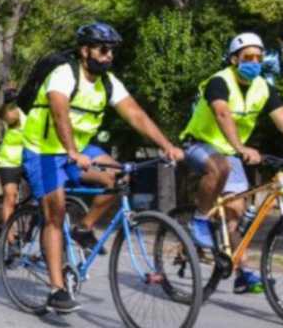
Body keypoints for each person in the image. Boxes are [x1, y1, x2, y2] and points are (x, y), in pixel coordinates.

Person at [21, 22, 184, 313]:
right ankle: (57, 290)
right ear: (85, 51)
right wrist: (71, 151)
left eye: (112, 51)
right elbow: (59, 113)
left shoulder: (109, 82)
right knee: (55, 212)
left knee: (120, 176)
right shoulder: (64, 74)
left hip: (79, 149)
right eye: (103, 49)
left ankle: (84, 228)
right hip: (43, 149)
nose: (109, 55)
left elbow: (135, 114)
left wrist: (166, 144)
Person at [180, 32, 283, 294]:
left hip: (230, 151)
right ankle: (199, 220)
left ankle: (242, 273)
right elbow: (222, 113)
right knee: (220, 168)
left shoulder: (263, 87)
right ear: (234, 59)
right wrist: (241, 148)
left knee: (236, 212)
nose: (255, 62)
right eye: (248, 57)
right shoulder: (219, 81)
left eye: (259, 58)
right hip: (199, 143)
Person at [0, 86, 25, 245]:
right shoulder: (16, 112)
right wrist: (8, 102)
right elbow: (5, 115)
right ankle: (10, 241)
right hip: (9, 161)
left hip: (29, 160)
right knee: (10, 197)